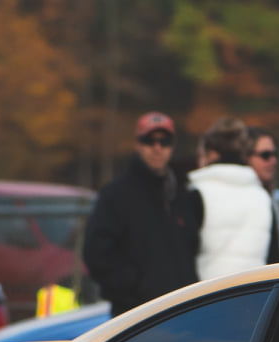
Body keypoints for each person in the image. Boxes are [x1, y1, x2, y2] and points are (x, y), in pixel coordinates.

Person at [82, 112, 199, 316]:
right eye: (149, 141)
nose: (157, 147)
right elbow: (97, 254)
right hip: (135, 316)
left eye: (164, 141)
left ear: (172, 146)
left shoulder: (184, 193)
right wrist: (135, 289)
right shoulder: (116, 194)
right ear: (138, 144)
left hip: (181, 312)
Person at [187, 117, 279, 281]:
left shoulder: (197, 193)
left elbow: (183, 258)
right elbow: (274, 260)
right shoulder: (262, 197)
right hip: (254, 293)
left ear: (211, 153)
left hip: (207, 294)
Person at [247, 127, 279, 261]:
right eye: (265, 155)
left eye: (275, 154)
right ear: (246, 157)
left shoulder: (269, 196)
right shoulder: (243, 200)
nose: (273, 161)